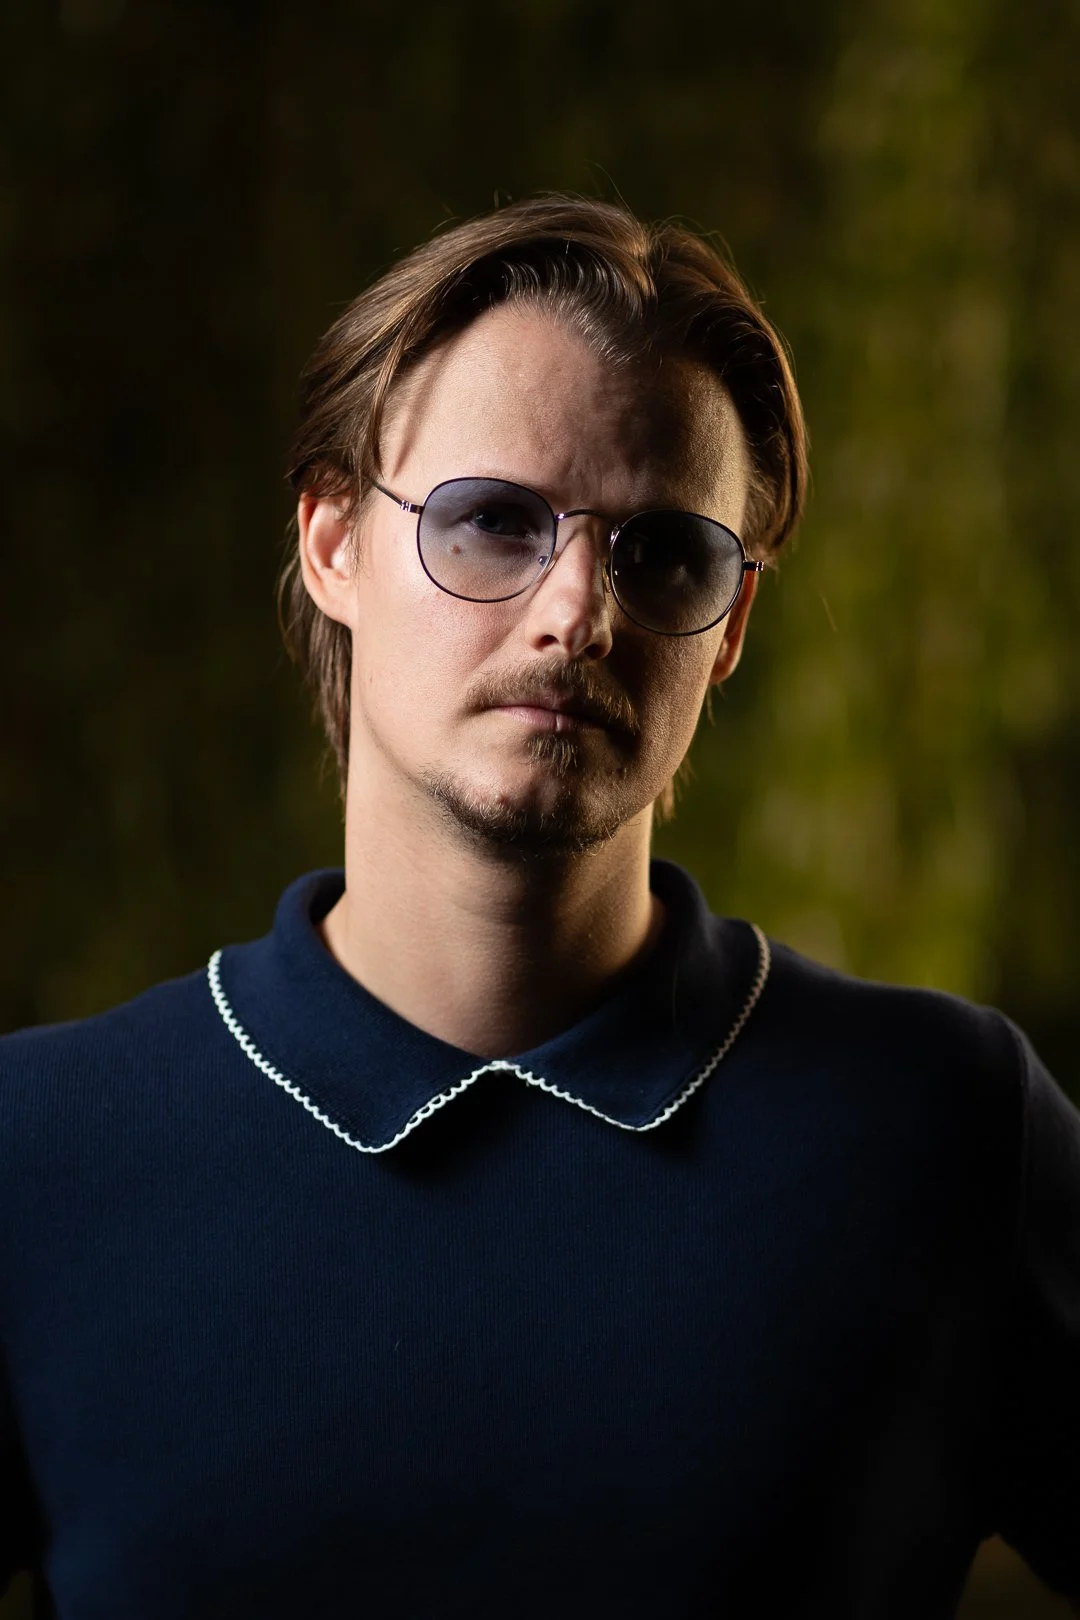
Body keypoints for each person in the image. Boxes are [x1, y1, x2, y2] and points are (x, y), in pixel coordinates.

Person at [1, 196, 1077, 1620]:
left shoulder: (945, 1127)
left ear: (733, 624)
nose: (578, 611)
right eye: (494, 522)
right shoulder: (38, 1155)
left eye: (667, 556)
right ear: (333, 544)